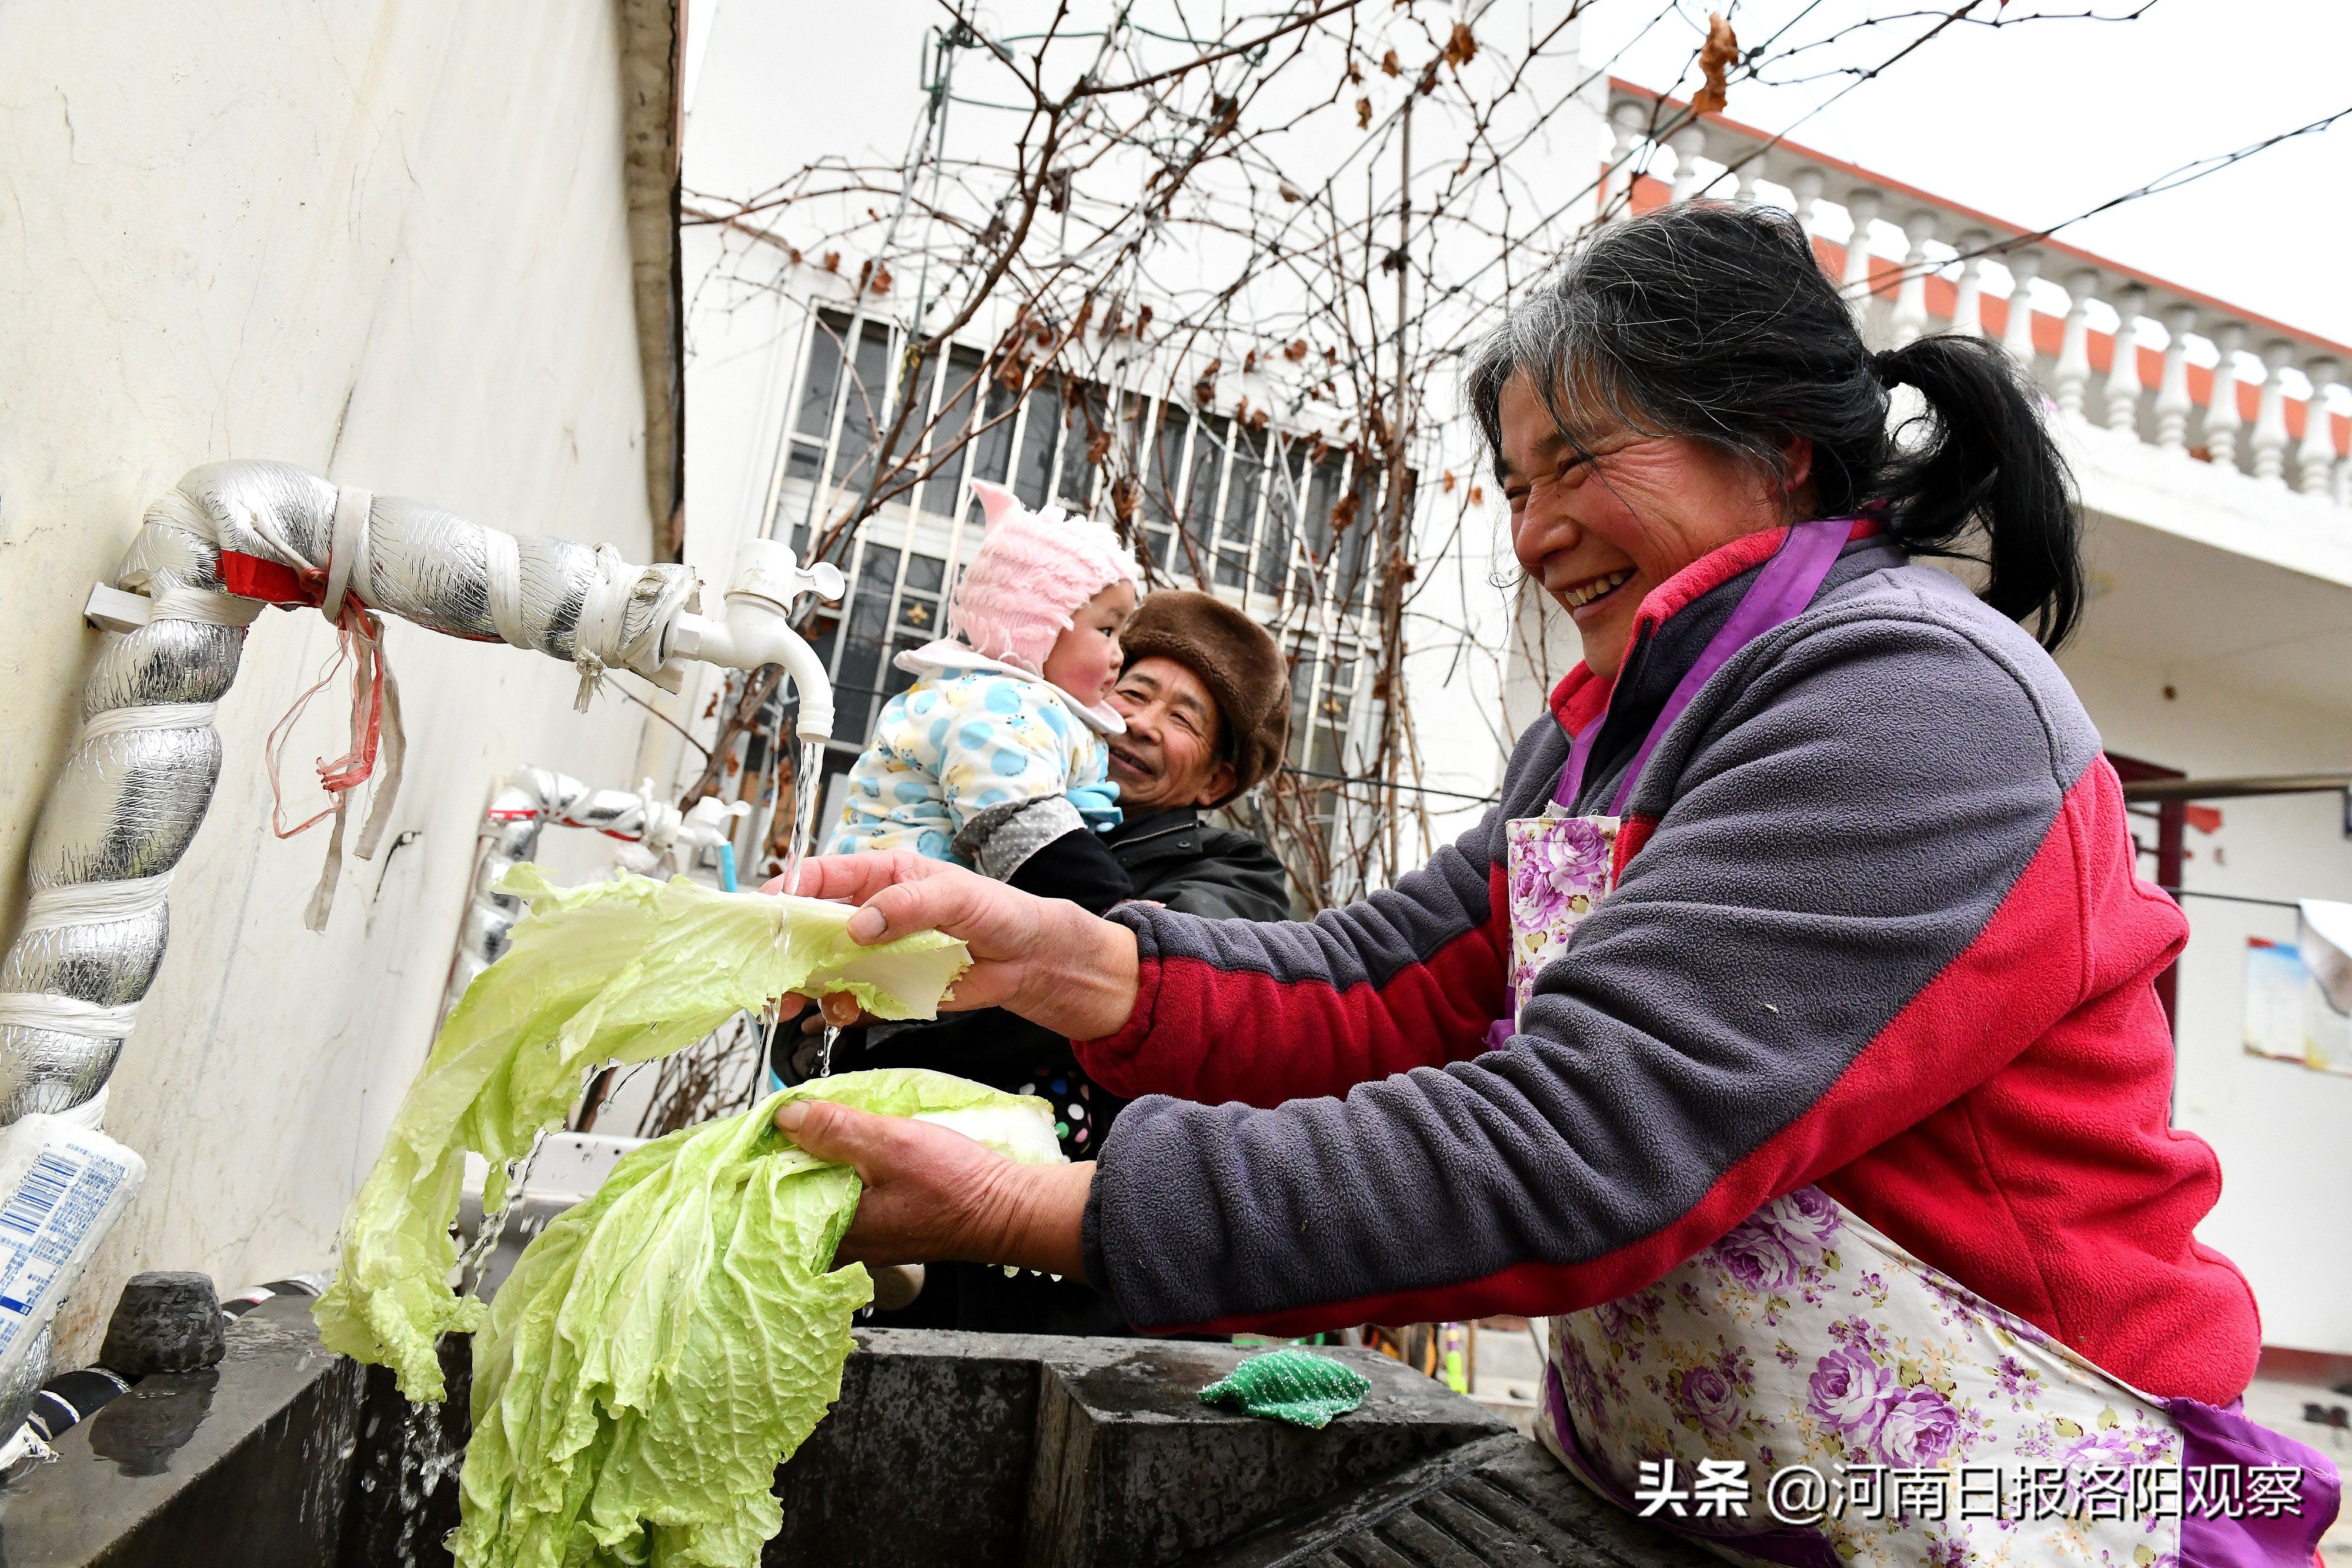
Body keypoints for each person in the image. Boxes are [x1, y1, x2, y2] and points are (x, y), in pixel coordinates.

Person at [767, 204, 2338, 1564]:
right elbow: (1380, 992)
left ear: (1776, 452)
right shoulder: (1603, 736)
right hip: (1704, 1492)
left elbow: (1589, 1139)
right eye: (1518, 483)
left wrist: (1048, 1209)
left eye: (1580, 461)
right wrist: (1057, 954)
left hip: (2012, 1501)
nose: (1536, 531)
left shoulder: (1913, 706)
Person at [787, 589, 1295, 1336]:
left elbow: (1134, 985)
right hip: (880, 1250)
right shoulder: (960, 819)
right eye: (1134, 692)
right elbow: (817, 1043)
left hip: (1061, 1288)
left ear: (1215, 781)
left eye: (1182, 718)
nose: (1142, 724)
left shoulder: (1233, 878)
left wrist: (905, 998)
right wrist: (815, 1014)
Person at [824, 479, 1138, 880]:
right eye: (1108, 631)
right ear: (1035, 625)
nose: (1120, 655)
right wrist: (1110, 904)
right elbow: (1018, 830)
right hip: (897, 910)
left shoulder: (1021, 701)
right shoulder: (1004, 705)